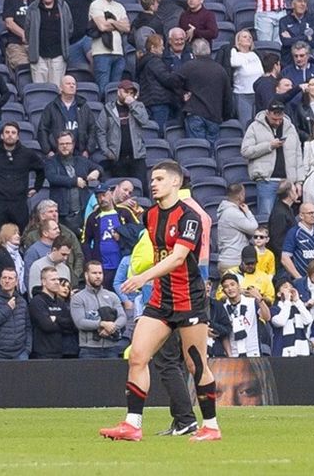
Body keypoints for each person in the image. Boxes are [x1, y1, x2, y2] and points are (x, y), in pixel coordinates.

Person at [100, 161, 221, 442]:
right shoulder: (151, 215)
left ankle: (212, 426)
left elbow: (178, 258)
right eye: (152, 179)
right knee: (138, 356)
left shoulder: (189, 217)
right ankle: (132, 424)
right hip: (160, 299)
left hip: (188, 299)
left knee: (196, 364)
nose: (153, 183)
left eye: (159, 179)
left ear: (176, 183)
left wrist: (142, 278)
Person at [73, 259, 127, 358]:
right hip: (88, 350)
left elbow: (122, 317)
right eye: (94, 273)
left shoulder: (112, 296)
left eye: (100, 273)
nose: (98, 276)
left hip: (112, 347)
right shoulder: (78, 298)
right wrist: (102, 324)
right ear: (86, 275)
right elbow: (80, 322)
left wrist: (111, 328)